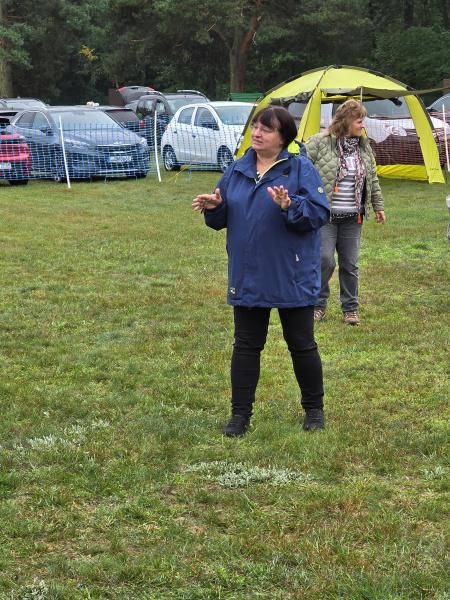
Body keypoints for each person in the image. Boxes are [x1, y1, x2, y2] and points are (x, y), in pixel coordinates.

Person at [192, 106, 330, 437]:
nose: (257, 133)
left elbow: (318, 213)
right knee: (246, 345)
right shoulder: (237, 169)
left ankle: (314, 410)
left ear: (283, 138)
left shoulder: (300, 169)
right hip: (249, 273)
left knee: (301, 344)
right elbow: (222, 215)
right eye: (255, 126)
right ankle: (240, 416)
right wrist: (216, 207)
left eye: (266, 129)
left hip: (291, 272)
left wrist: (290, 205)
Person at [305, 99, 386, 326]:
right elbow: (301, 169)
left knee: (350, 264)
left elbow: (372, 178)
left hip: (353, 216)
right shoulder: (320, 142)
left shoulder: (364, 146)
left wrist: (378, 206)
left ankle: (350, 309)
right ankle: (317, 305)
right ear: (347, 121)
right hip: (325, 216)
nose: (363, 125)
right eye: (359, 121)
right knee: (324, 260)